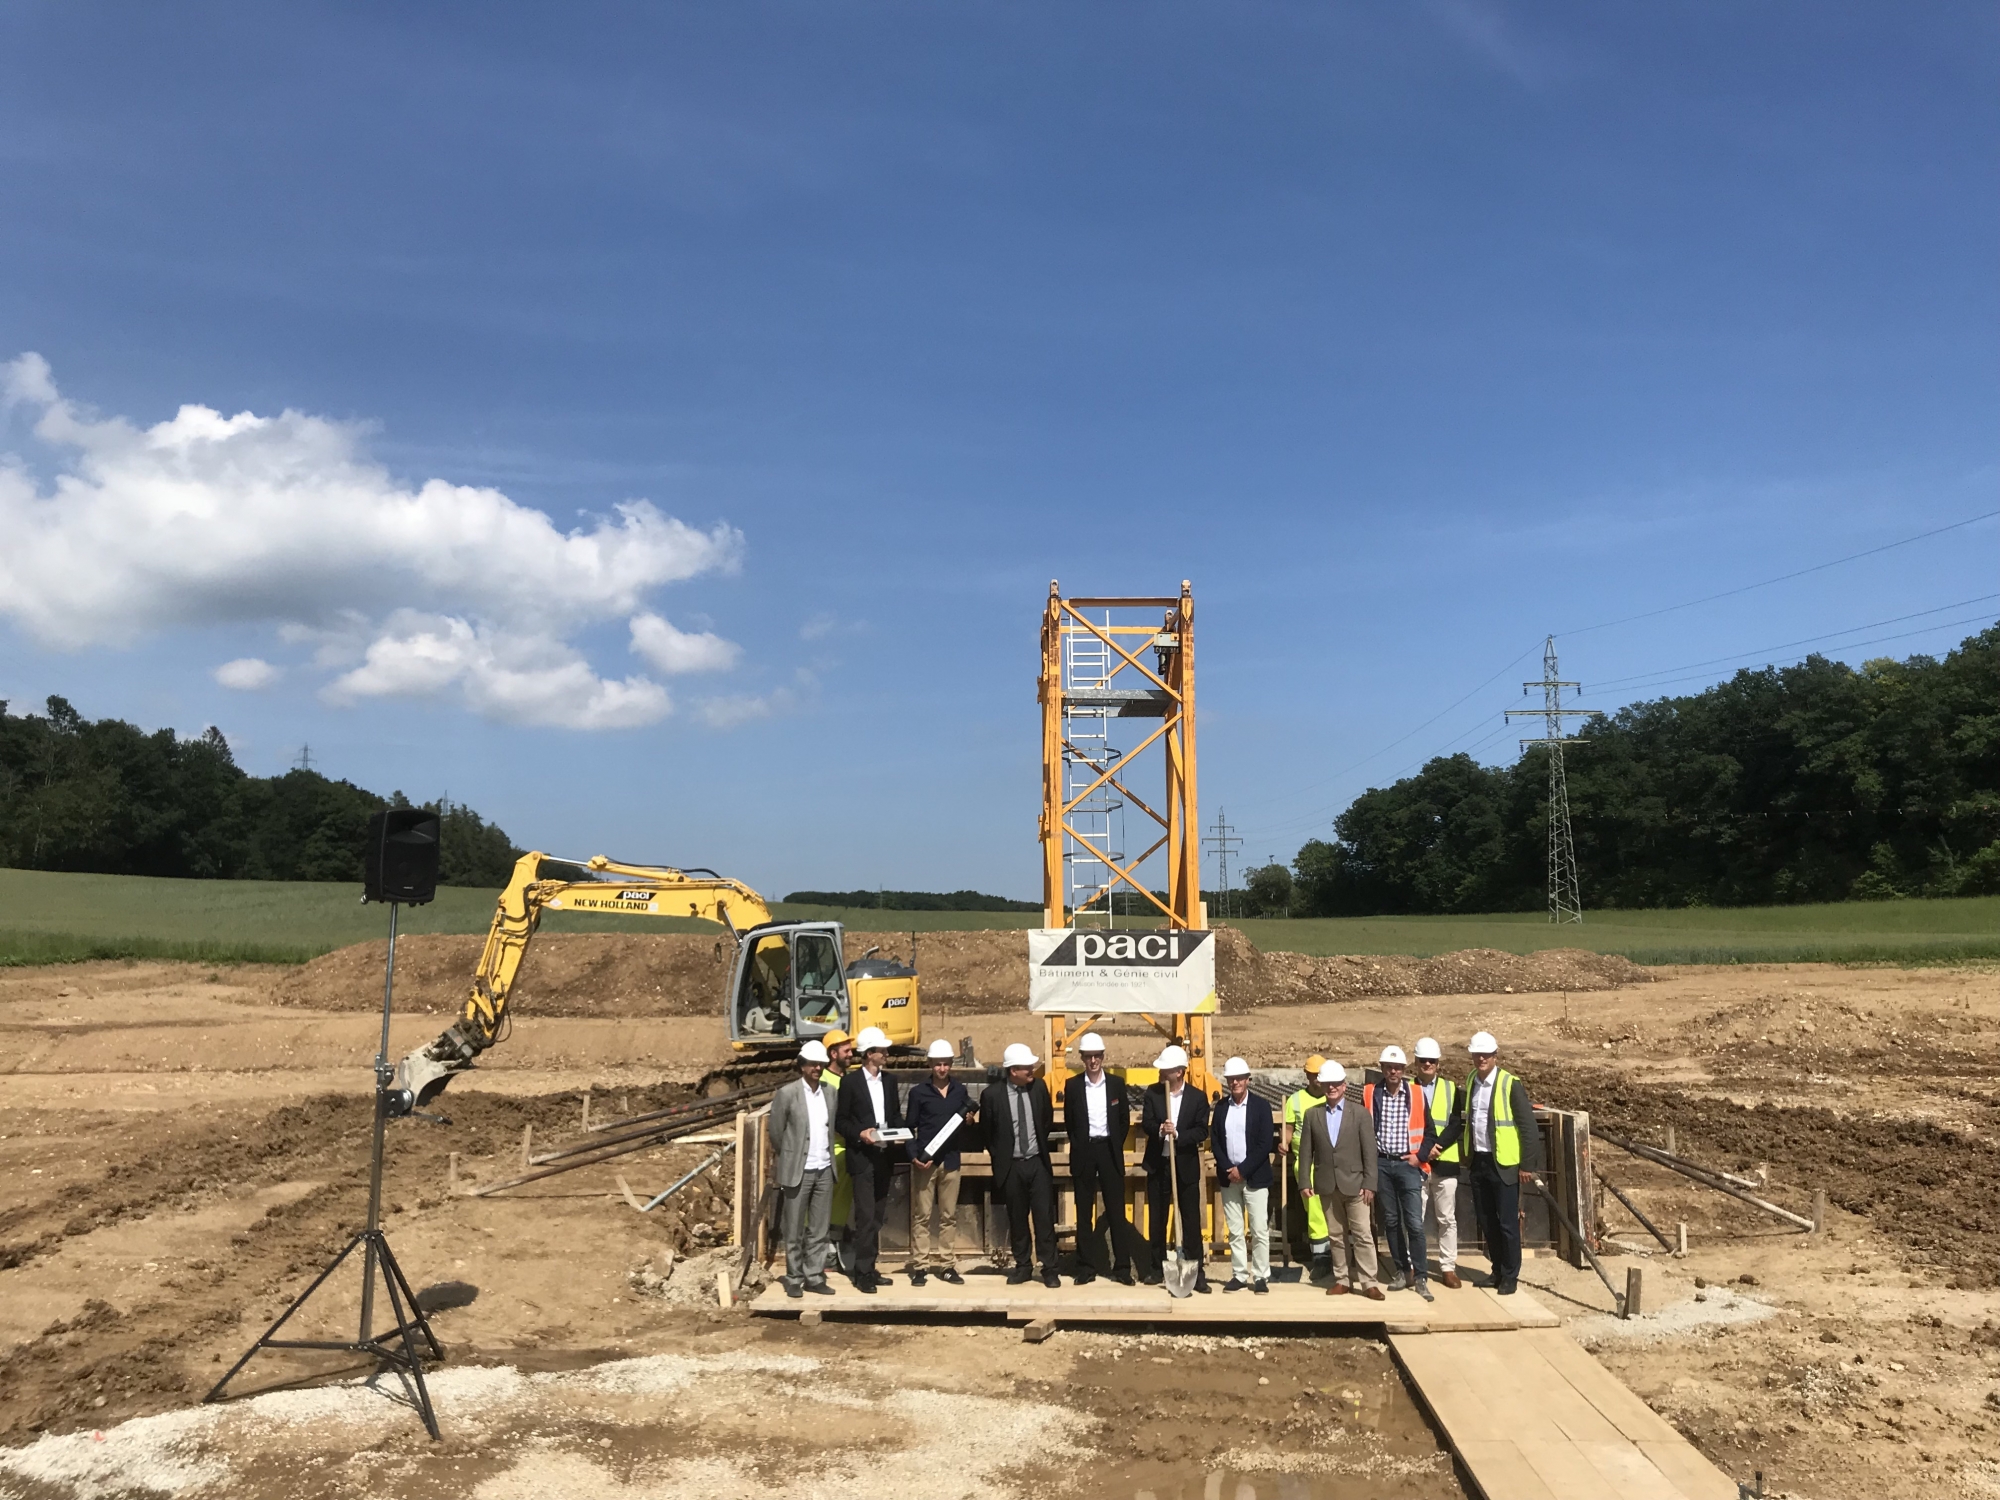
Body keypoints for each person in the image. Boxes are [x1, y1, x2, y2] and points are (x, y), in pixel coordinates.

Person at [1429, 1030, 1543, 1296]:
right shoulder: (1472, 1080)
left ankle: (1510, 1275)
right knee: (1486, 1220)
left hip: (1503, 1163)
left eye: (1485, 1055)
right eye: (1476, 1054)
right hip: (1478, 1160)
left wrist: (1527, 1164)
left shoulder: (1509, 1084)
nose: (1481, 1059)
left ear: (1495, 1056)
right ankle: (1497, 1269)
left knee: (1506, 1223)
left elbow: (1527, 1126)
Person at [1294, 1060, 1382, 1300]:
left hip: (1356, 1185)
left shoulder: (1360, 1114)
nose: (1331, 1088)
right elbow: (1305, 1151)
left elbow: (1369, 1152)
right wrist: (1305, 1181)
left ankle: (1368, 1282)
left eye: (1335, 1084)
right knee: (1336, 1234)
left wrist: (1370, 1183)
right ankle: (1342, 1279)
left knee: (1362, 1233)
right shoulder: (1313, 1115)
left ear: (1344, 1086)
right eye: (1327, 1084)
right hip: (1327, 1184)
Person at [1061, 1032, 1137, 1285]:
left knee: (1116, 1211)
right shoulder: (1072, 1086)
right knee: (1084, 1211)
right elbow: (1071, 1122)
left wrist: (1113, 1143)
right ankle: (1085, 1267)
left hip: (1109, 1151)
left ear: (1103, 1057)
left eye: (1097, 1056)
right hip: (1085, 1151)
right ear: (1082, 1058)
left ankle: (1122, 1267)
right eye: (1088, 1056)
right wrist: (1082, 1143)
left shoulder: (1116, 1085)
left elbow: (1123, 1120)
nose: (1093, 1061)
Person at [981, 1043, 1059, 1287]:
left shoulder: (1038, 1089)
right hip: (1011, 1166)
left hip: (1037, 1163)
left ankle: (1049, 1269)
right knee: (1017, 1217)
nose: (1032, 1070)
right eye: (1027, 1067)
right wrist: (1002, 1157)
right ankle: (1023, 1266)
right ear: (1013, 1070)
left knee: (1044, 1217)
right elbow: (988, 1132)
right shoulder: (992, 1096)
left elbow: (1045, 1121)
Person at [833, 1026, 904, 1293]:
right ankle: (861, 1272)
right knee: (864, 1215)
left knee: (877, 1215)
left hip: (884, 1156)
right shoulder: (850, 1083)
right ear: (869, 1054)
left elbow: (895, 1115)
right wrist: (860, 1134)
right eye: (881, 1050)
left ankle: (871, 1267)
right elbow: (841, 1121)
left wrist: (901, 1132)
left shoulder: (890, 1081)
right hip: (862, 1157)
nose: (886, 1053)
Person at [769, 1039, 839, 1297]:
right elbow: (776, 1132)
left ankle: (814, 1276)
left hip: (824, 1169)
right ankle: (794, 1276)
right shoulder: (787, 1094)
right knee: (794, 1227)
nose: (816, 1069)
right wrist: (790, 1156)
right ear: (802, 1066)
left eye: (820, 1064)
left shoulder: (830, 1092)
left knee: (819, 1229)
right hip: (798, 1170)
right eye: (812, 1064)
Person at [1365, 1045, 1435, 1302]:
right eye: (1388, 1067)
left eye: (1397, 1068)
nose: (1393, 1071)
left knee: (1414, 1223)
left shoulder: (1416, 1094)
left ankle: (1421, 1276)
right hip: (1382, 1164)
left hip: (1408, 1166)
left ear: (1404, 1070)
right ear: (1382, 1068)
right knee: (1392, 1222)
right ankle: (1401, 1270)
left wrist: (1419, 1157)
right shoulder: (1371, 1093)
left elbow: (1430, 1133)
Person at [1140, 1044, 1211, 1293]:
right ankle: (1156, 1268)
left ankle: (1196, 1273)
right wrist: (1160, 1129)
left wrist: (1179, 1133)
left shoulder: (1197, 1097)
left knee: (1191, 1222)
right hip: (1160, 1165)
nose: (1161, 1073)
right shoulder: (1153, 1094)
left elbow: (1202, 1130)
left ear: (1179, 1072)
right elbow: (1146, 1123)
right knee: (1157, 1220)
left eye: (1166, 1069)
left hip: (1185, 1167)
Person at [905, 1038, 975, 1287]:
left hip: (951, 1161)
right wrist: (914, 1155)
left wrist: (968, 1122)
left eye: (946, 1064)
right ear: (930, 1065)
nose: (942, 1068)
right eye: (938, 1064)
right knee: (922, 1215)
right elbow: (909, 1128)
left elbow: (966, 1129)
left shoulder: (961, 1092)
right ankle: (921, 1266)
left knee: (948, 1215)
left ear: (951, 1065)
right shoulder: (918, 1093)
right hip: (926, 1163)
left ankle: (947, 1265)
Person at [1210, 1056, 1275, 1294]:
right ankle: (1239, 1273)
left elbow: (1264, 1143)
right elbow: (1215, 1140)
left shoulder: (1261, 1107)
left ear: (1248, 1080)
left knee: (1258, 1230)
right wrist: (1229, 1168)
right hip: (1229, 1178)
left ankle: (1260, 1276)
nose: (1235, 1082)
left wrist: (1243, 1170)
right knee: (1235, 1230)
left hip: (1255, 1178)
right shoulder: (1221, 1108)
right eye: (1231, 1079)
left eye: (1239, 1078)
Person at [1412, 1036, 1463, 1289]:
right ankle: (1413, 1266)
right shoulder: (1407, 1089)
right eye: (1423, 1061)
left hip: (1444, 1162)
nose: (1428, 1064)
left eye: (1432, 1061)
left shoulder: (1451, 1089)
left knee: (1447, 1218)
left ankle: (1448, 1267)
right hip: (1417, 1164)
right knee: (1414, 1218)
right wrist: (1423, 1153)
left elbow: (1455, 1124)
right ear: (1416, 1062)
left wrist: (1436, 1148)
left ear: (1438, 1063)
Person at [1281, 1054, 1333, 1284]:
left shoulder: (1333, 1097)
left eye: (1321, 1075)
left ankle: (1336, 1253)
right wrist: (1284, 1142)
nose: (1318, 1080)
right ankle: (1321, 1257)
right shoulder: (1296, 1100)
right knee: (1314, 1209)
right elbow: (1289, 1129)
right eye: (1314, 1076)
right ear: (1308, 1075)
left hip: (1330, 1161)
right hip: (1306, 1163)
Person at [820, 1028, 855, 1264]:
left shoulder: (845, 1078)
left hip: (846, 1149)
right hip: (831, 1151)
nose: (851, 1053)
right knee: (825, 1201)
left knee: (841, 1201)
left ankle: (835, 1242)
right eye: (847, 1050)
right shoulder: (825, 1083)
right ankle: (824, 1250)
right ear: (833, 1054)